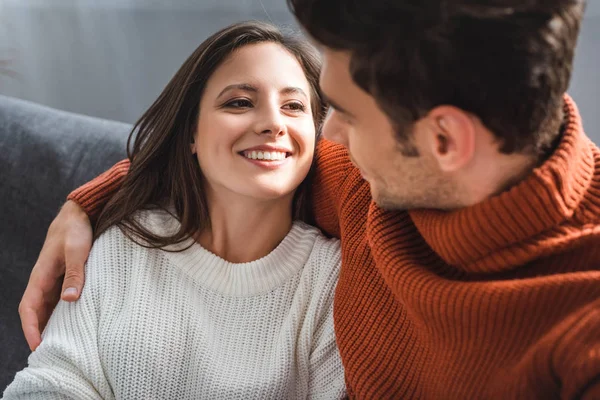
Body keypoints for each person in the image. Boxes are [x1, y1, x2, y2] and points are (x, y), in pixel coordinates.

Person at [18, 0, 600, 398]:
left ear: (444, 140)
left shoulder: (581, 324)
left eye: (341, 112)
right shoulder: (373, 176)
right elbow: (231, 163)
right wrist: (89, 202)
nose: (329, 140)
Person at [4, 21, 346, 399]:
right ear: (191, 134)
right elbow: (53, 384)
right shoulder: (124, 246)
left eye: (294, 106)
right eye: (240, 102)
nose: (272, 124)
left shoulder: (330, 277)